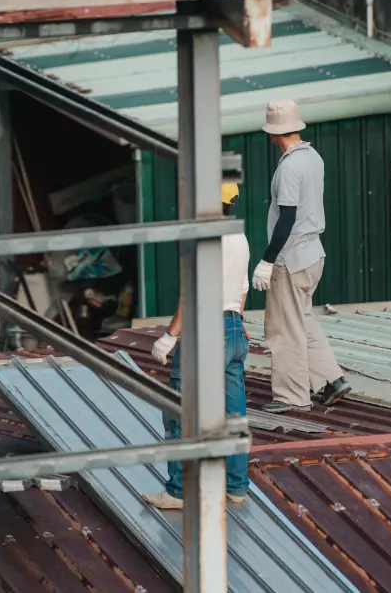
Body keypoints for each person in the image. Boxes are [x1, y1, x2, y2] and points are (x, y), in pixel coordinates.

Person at [143, 182, 251, 509]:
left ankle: (178, 492)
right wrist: (236, 323)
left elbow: (192, 290)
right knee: (233, 413)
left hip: (205, 331)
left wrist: (170, 335)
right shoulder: (239, 236)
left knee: (180, 413)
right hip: (233, 329)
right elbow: (243, 287)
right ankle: (236, 487)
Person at [250, 100, 351, 414]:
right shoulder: (312, 157)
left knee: (282, 328)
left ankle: (292, 396)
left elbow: (287, 218)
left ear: (272, 133)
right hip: (313, 254)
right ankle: (331, 379)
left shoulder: (290, 167)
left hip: (290, 257)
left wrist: (267, 260)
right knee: (303, 320)